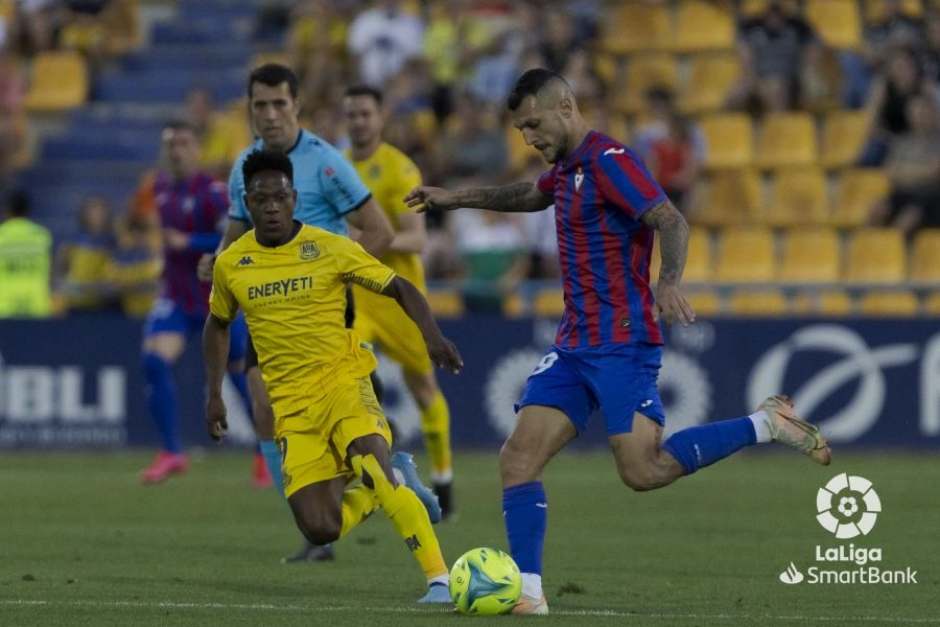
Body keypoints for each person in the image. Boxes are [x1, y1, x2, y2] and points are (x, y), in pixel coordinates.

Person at [405, 69, 832, 616]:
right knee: (517, 459)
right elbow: (527, 195)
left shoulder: (610, 162)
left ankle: (766, 423)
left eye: (533, 124)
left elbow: (670, 220)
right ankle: (529, 592)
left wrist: (669, 280)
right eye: (519, 129)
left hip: (622, 344)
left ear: (566, 107)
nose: (528, 137)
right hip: (574, 345)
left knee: (642, 471)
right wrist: (454, 198)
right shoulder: (564, 170)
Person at [203, 150, 461, 603]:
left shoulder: (329, 246)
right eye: (261, 198)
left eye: (280, 197)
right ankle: (391, 484)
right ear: (248, 202)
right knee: (320, 528)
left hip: (343, 382)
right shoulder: (232, 264)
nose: (271, 206)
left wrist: (432, 337)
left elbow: (398, 285)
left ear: (294, 198)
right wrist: (214, 394)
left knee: (372, 466)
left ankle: (440, 579)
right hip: (292, 407)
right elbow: (217, 325)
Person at [200, 63, 397, 562]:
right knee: (265, 411)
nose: (269, 116)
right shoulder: (245, 165)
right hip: (267, 313)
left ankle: (366, 490)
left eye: (278, 105)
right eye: (259, 106)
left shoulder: (326, 163)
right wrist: (217, 262)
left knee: (300, 411)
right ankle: (319, 523)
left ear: (297, 106)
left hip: (321, 317)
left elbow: (379, 231)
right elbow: (234, 238)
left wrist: (338, 273)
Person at [342, 84, 456, 517]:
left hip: (398, 296)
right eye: (351, 114)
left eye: (365, 114)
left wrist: (362, 240)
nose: (357, 122)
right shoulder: (335, 167)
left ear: (381, 117)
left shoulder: (399, 169)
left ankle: (443, 477)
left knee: (424, 388)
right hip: (356, 298)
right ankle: (371, 471)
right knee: (352, 379)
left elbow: (417, 238)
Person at [135, 120, 258, 485]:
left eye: (184, 144)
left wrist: (187, 243)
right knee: (153, 361)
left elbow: (234, 238)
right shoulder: (158, 187)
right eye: (171, 144)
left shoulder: (214, 192)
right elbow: (137, 224)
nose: (176, 151)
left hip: (214, 296)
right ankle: (173, 451)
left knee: (236, 374)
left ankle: (264, 451)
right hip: (176, 294)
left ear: (197, 149)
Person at [0, 190, 52, 318]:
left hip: (4, 306)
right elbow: (50, 271)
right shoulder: (42, 235)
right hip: (36, 305)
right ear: (27, 211)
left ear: (7, 210)